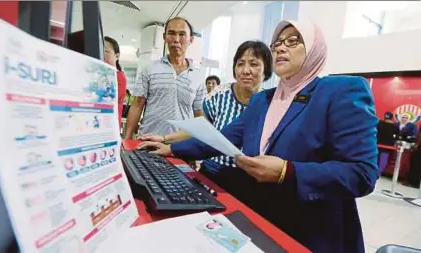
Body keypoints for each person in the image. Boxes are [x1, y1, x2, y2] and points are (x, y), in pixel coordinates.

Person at [138, 20, 379, 253]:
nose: (281, 47)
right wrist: (171, 148)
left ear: (315, 49)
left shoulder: (341, 91)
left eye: (293, 41)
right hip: (260, 220)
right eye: (277, 43)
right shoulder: (262, 100)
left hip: (311, 233)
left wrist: (289, 172)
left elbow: (362, 173)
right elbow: (221, 139)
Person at [139, 41, 273, 193]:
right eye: (240, 63)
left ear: (266, 69)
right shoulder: (219, 94)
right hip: (212, 172)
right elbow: (200, 128)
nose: (246, 70)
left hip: (248, 180)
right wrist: (165, 139)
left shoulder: (270, 103)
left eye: (254, 64)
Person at [124, 17, 206, 139]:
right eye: (171, 33)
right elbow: (137, 105)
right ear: (164, 37)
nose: (176, 40)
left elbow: (199, 114)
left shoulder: (198, 77)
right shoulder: (149, 68)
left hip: (179, 147)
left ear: (191, 40)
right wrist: (127, 139)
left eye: (182, 34)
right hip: (147, 141)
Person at [104, 36, 128, 128]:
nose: (101, 53)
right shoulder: (100, 74)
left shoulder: (119, 77)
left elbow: (107, 99)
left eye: (106, 51)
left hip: (110, 127)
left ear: (117, 56)